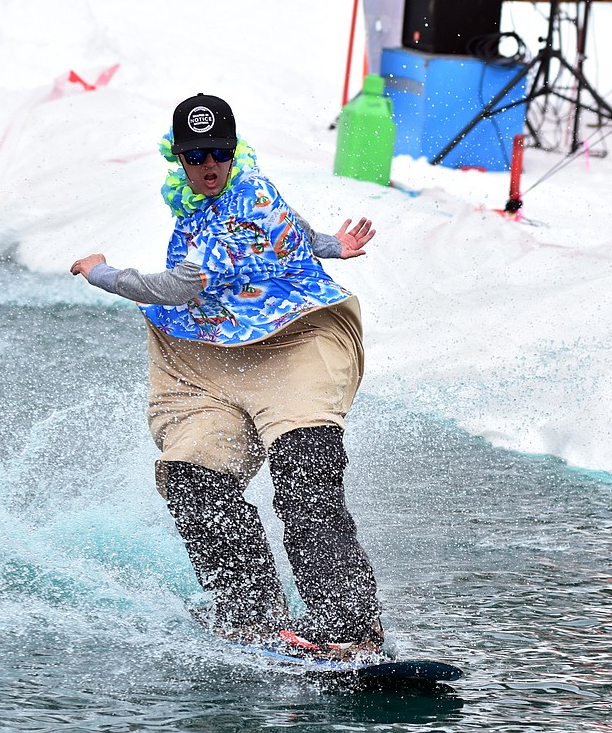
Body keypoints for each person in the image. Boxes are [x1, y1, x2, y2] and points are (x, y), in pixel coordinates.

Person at [70, 93, 382, 658]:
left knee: (305, 471)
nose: (208, 166)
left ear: (235, 152)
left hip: (297, 339)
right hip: (205, 356)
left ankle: (349, 625)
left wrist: (102, 272)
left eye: (218, 153)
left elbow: (176, 285)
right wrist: (332, 243)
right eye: (195, 157)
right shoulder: (209, 196)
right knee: (193, 477)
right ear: (180, 160)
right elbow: (295, 230)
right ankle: (254, 614)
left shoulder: (239, 204)